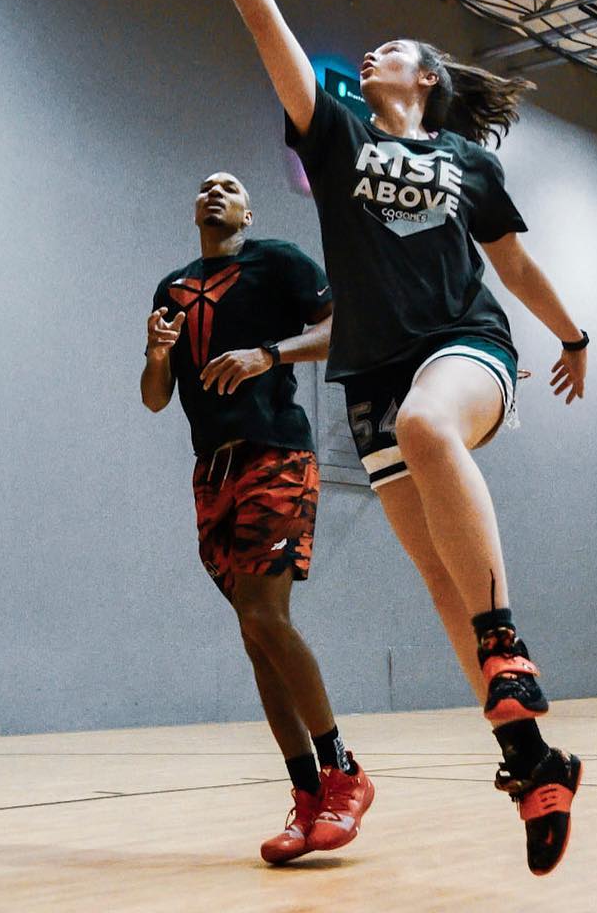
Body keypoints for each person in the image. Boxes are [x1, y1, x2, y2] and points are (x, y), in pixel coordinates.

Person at [142, 0, 590, 878]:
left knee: (438, 433)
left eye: (393, 44)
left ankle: (510, 645)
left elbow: (513, 268)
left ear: (426, 79)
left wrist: (570, 335)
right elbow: (266, 24)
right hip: (371, 384)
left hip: (465, 349)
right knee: (438, 580)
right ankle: (531, 757)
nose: (373, 51)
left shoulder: (462, 158)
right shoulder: (335, 133)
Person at [142, 169, 375, 864]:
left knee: (268, 617)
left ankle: (345, 772)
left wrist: (268, 354)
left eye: (229, 185)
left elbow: (343, 329)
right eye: (204, 186)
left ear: (248, 209)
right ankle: (307, 800)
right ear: (195, 210)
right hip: (211, 471)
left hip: (276, 453)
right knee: (254, 634)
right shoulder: (172, 289)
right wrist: (158, 355)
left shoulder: (278, 261)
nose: (214, 191)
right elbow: (157, 397)